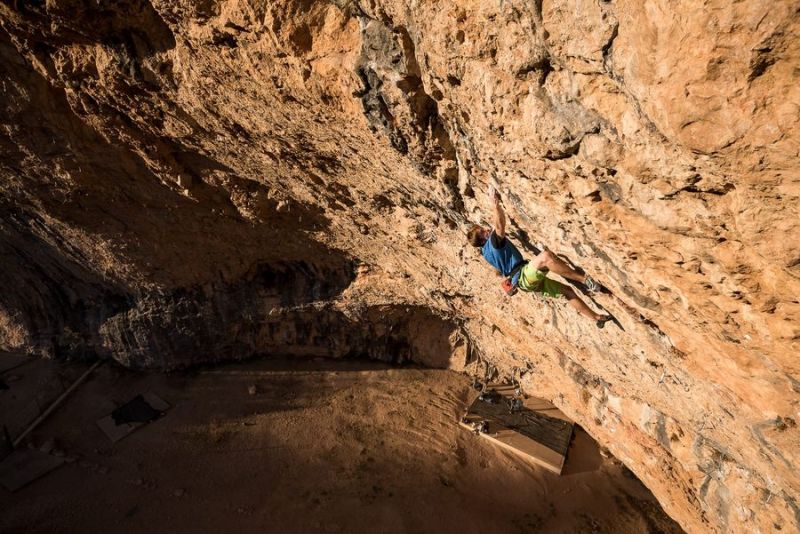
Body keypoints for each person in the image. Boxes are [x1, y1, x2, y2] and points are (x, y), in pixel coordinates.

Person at [467, 187, 612, 328]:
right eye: (483, 231)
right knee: (546, 257)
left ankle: (597, 318)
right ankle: (586, 281)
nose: (486, 229)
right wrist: (495, 204)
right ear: (483, 239)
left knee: (567, 291)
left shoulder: (486, 253)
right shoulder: (493, 243)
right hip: (524, 276)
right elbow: (500, 226)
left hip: (523, 281)